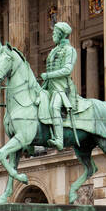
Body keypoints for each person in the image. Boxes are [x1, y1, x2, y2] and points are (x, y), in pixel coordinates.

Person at [39, 21, 78, 150]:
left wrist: (49, 75)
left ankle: (59, 140)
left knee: (54, 106)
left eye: (55, 33)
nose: (53, 35)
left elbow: (67, 70)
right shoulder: (54, 50)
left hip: (62, 87)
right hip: (49, 86)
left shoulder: (70, 50)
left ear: (61, 34)